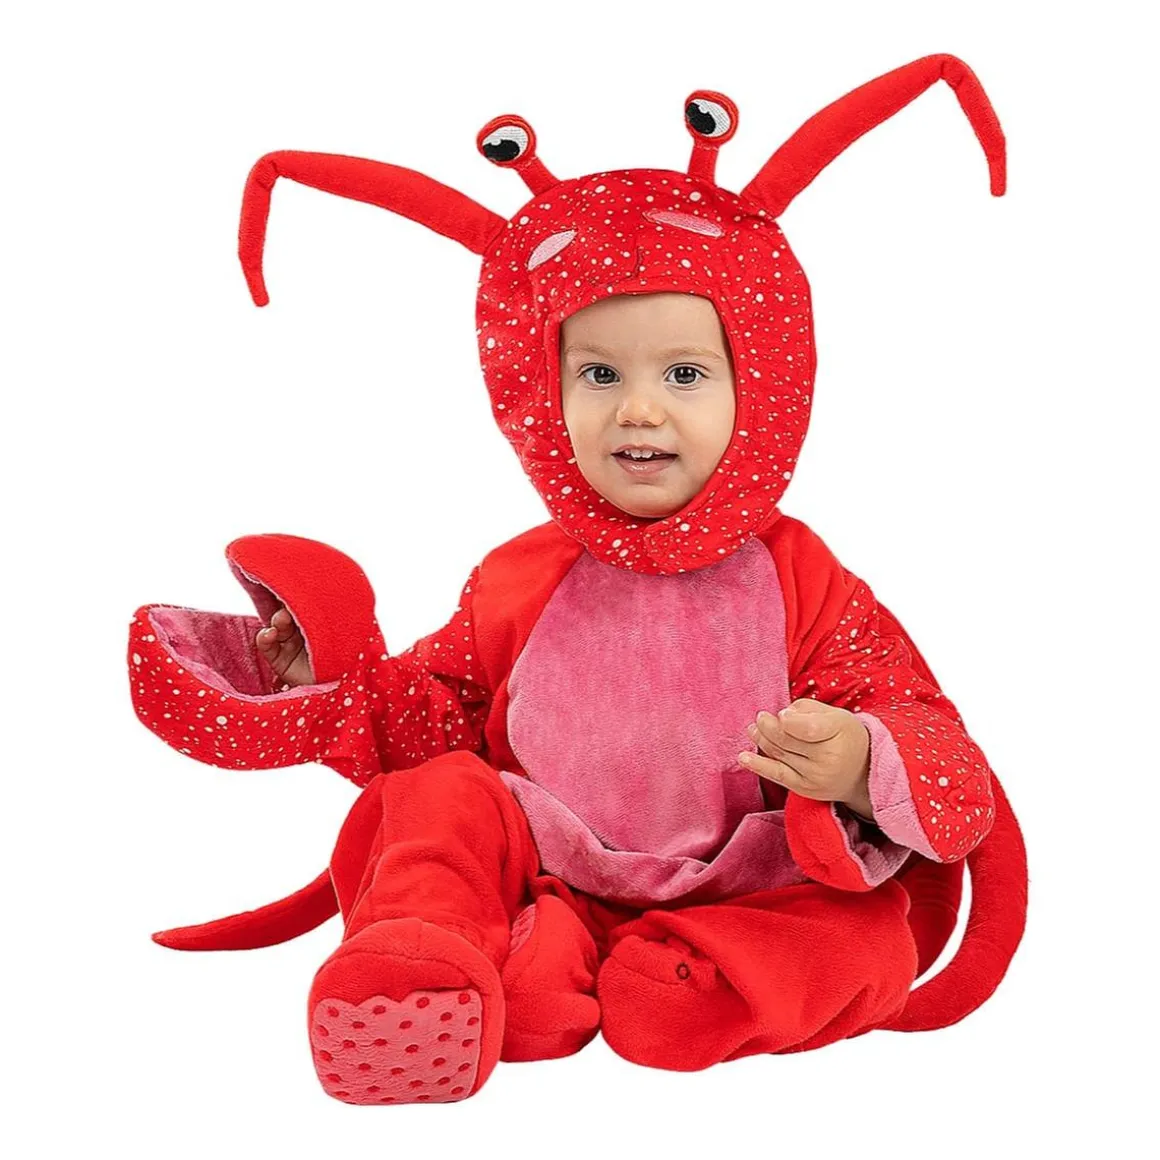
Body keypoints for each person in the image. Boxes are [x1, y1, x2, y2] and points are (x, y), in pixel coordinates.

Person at [128, 56, 1025, 1106]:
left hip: (750, 890)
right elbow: (432, 720)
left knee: (854, 940)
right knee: (432, 798)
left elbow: (922, 724)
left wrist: (861, 760)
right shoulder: (518, 577)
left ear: (760, 381)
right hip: (550, 874)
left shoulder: (803, 579)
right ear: (539, 391)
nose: (637, 410)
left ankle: (658, 982)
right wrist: (317, 671)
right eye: (598, 374)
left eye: (683, 373)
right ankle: (427, 957)